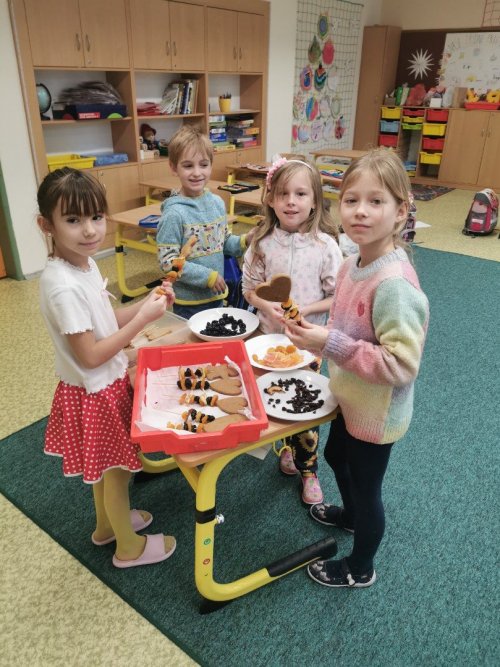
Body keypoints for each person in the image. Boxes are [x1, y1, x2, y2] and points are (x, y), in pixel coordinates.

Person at [284, 148, 429, 588]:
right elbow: (344, 325)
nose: (360, 211)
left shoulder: (394, 286)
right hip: (350, 396)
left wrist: (328, 342)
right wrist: (317, 334)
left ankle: (361, 566)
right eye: (351, 200)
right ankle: (349, 516)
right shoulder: (352, 264)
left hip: (377, 411)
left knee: (367, 490)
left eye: (375, 201)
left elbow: (401, 365)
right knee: (334, 456)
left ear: (400, 211)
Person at [36, 167, 177, 569]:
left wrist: (145, 303)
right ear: (46, 225)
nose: (89, 230)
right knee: (116, 474)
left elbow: (104, 319)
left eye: (96, 217)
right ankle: (129, 548)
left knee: (104, 470)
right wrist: (143, 321)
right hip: (95, 391)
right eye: (73, 220)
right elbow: (92, 355)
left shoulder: (82, 264)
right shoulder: (62, 286)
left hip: (99, 386)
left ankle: (106, 526)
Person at [242, 156, 343, 505]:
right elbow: (249, 288)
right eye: (283, 193)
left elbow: (337, 296)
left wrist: (305, 310)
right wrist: (264, 303)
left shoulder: (326, 247)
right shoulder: (262, 242)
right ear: (270, 199)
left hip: (308, 344)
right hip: (268, 341)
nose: (291, 201)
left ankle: (308, 469)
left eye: (300, 194)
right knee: (274, 397)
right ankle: (285, 447)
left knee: (305, 407)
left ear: (315, 201)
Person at [157, 125, 254, 320]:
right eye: (188, 166)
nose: (197, 173)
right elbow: (168, 262)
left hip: (216, 295)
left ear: (211, 165)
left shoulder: (217, 203)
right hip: (189, 303)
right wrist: (208, 277)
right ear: (173, 167)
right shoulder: (174, 214)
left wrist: (245, 240)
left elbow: (223, 242)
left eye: (203, 164)